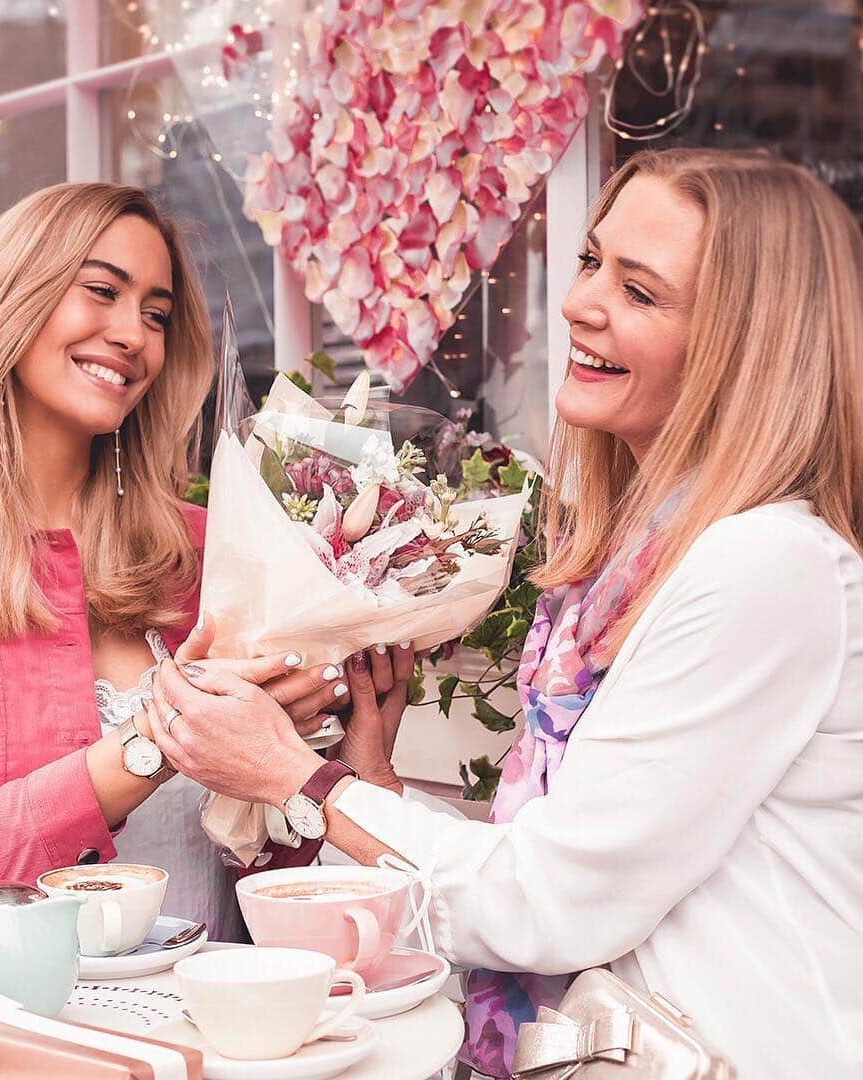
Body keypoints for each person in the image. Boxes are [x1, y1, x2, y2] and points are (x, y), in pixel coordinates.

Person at [144, 149, 863, 1077]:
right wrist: (373, 773)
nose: (581, 304)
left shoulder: (767, 563)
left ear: (747, 347)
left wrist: (296, 779)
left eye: (641, 293)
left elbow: (553, 903)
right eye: (593, 263)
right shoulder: (632, 564)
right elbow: (569, 850)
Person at [0, 183, 349, 940]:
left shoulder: (211, 546)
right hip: (42, 1030)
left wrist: (336, 726)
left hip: (228, 1017)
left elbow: (278, 839)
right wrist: (161, 744)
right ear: (14, 299)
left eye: (157, 314)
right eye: (102, 290)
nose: (134, 334)